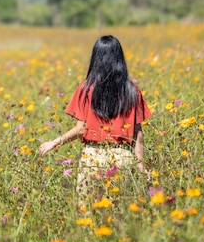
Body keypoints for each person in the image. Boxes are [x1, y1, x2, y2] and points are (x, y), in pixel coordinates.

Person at [39, 35, 151, 206]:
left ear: (96, 58)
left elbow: (81, 129)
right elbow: (138, 134)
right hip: (122, 158)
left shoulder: (86, 88)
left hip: (93, 159)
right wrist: (141, 167)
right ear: (120, 58)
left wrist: (55, 142)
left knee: (88, 213)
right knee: (119, 215)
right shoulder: (132, 90)